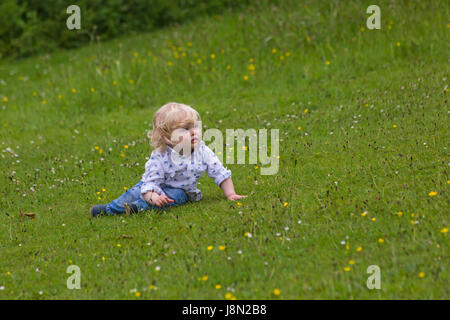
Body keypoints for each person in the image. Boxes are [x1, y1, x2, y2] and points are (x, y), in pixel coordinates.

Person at [90, 102, 247, 217]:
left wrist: (230, 194)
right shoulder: (160, 157)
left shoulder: (202, 151)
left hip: (182, 190)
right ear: (168, 138)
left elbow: (219, 172)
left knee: (173, 197)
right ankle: (109, 209)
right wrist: (152, 196)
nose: (194, 132)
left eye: (195, 127)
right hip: (153, 187)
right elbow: (150, 183)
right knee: (133, 192)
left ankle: (137, 208)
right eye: (185, 129)